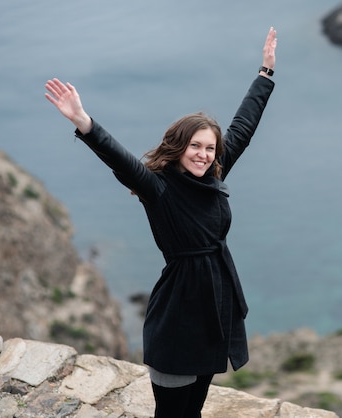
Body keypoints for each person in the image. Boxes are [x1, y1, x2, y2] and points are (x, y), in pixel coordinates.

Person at [44, 27, 277, 418]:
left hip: (214, 309)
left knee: (194, 410)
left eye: (209, 148)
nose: (203, 155)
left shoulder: (214, 173)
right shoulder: (160, 189)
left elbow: (243, 127)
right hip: (179, 313)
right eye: (195, 146)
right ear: (179, 146)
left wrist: (264, 74)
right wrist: (84, 122)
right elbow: (122, 162)